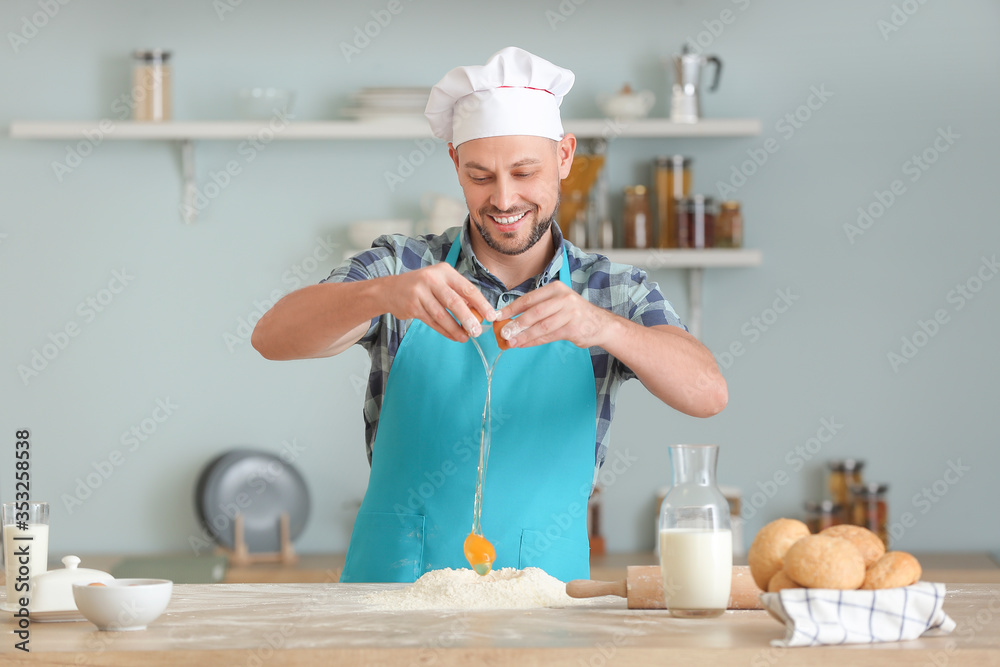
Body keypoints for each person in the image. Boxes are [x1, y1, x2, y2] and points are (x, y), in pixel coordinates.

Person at [251, 47, 727, 583]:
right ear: (455, 163)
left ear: (565, 157)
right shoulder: (402, 266)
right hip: (389, 602)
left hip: (546, 605)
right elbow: (271, 336)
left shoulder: (610, 289)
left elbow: (707, 393)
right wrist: (382, 295)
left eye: (525, 172)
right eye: (481, 176)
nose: (504, 199)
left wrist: (601, 327)